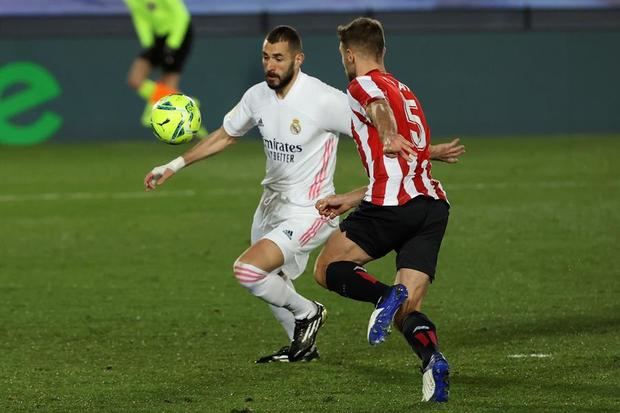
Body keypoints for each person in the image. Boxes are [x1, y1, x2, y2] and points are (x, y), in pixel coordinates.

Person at [143, 26, 464, 363]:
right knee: (271, 280)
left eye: (279, 58)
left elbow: (376, 122)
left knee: (249, 271)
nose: (271, 65)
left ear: (298, 59)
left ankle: (311, 313)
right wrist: (174, 164)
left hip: (312, 210)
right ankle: (303, 347)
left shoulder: (325, 100)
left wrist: (421, 151)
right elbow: (226, 135)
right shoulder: (257, 96)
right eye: (266, 57)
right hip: (270, 206)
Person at [314, 17, 451, 402]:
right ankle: (432, 360)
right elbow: (404, 165)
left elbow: (375, 108)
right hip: (432, 207)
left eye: (343, 54)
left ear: (350, 54)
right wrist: (350, 198)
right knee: (409, 308)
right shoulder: (405, 91)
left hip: (392, 207)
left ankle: (381, 296)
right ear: (384, 51)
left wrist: (387, 131)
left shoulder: (363, 85)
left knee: (328, 269)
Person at [125, 0, 206, 136]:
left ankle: (199, 132)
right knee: (135, 80)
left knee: (169, 85)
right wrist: (148, 42)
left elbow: (181, 16)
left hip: (180, 33)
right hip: (158, 37)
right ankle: (189, 103)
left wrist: (172, 45)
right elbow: (140, 17)